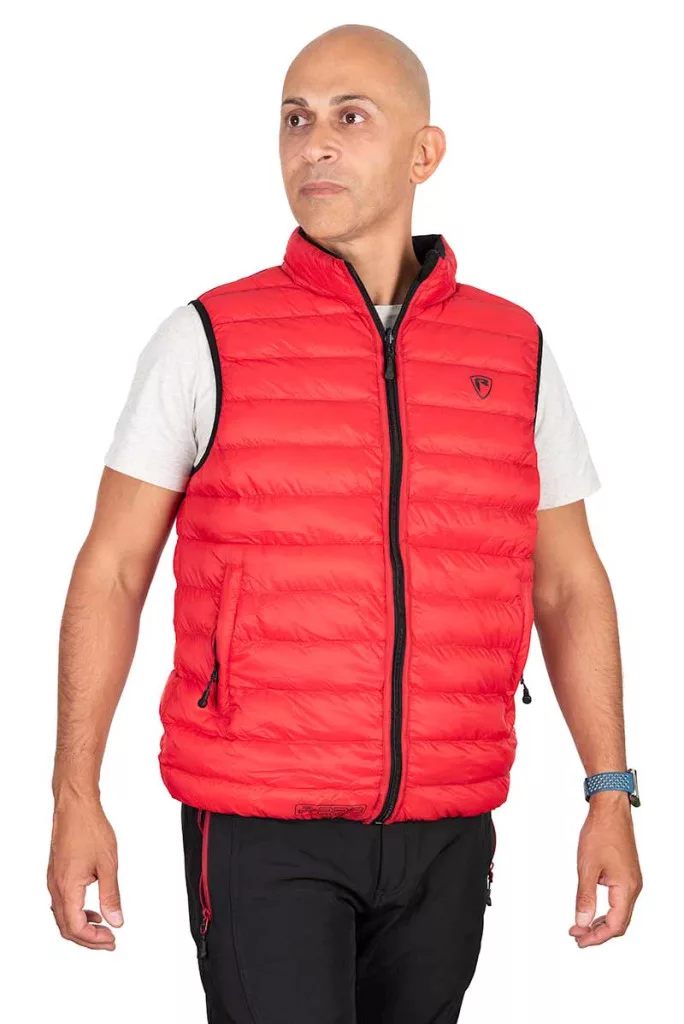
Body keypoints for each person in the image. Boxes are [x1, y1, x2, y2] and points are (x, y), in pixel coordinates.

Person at [47, 22, 643, 1024]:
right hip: (259, 819)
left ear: (424, 153)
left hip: (448, 822)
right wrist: (76, 798)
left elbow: (568, 582)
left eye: (350, 118)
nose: (314, 143)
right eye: (295, 119)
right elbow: (111, 570)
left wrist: (609, 792)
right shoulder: (206, 338)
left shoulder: (514, 348)